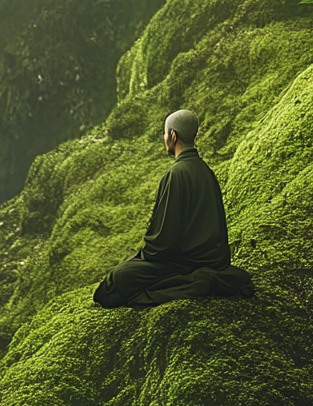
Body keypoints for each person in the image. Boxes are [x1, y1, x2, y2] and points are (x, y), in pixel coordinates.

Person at [92, 108, 254, 308]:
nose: (164, 138)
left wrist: (142, 257)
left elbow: (163, 241)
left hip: (181, 262)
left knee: (115, 281)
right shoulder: (206, 171)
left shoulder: (176, 174)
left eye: (165, 134)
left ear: (173, 136)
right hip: (212, 260)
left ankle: (189, 282)